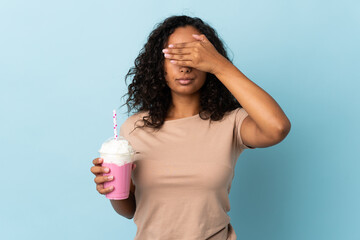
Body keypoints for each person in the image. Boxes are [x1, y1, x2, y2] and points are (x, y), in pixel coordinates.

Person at [90, 15, 291, 240]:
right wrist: (114, 189)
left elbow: (278, 127)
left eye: (194, 55)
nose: (185, 66)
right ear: (159, 64)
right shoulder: (133, 129)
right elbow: (131, 211)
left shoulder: (231, 122)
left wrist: (220, 66)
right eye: (174, 55)